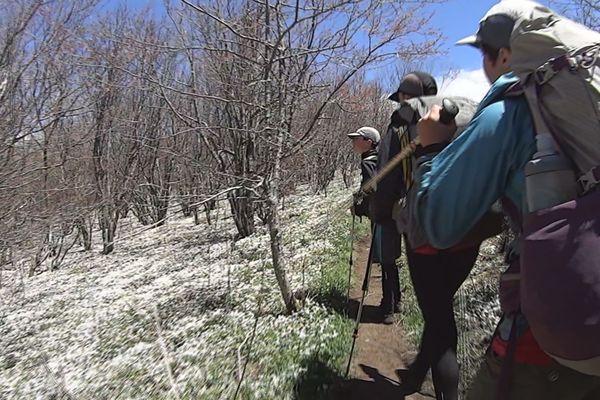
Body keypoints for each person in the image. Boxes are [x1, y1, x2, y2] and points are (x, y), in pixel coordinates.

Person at [409, 2, 600, 399]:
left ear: (507, 55)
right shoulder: (582, 102)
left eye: (484, 54)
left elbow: (435, 225)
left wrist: (431, 150)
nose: (483, 64)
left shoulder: (509, 112)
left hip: (556, 335)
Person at [384, 73, 480, 400]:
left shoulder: (401, 129)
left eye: (403, 95)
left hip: (425, 238)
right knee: (438, 309)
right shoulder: (460, 118)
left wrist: (380, 215)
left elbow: (387, 189)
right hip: (468, 233)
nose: (400, 101)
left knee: (440, 322)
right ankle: (415, 374)